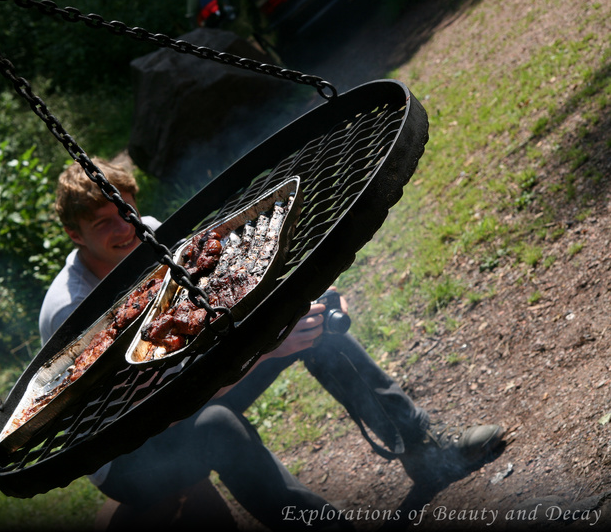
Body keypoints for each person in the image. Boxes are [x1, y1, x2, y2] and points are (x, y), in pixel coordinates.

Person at [38, 158, 504, 530]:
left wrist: (292, 308)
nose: (125, 228)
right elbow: (156, 408)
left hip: (191, 387)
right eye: (103, 224)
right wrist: (260, 352)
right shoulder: (73, 314)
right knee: (218, 425)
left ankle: (424, 453)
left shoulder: (154, 237)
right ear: (75, 236)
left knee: (306, 326)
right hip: (134, 451)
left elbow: (221, 299)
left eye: (126, 210)